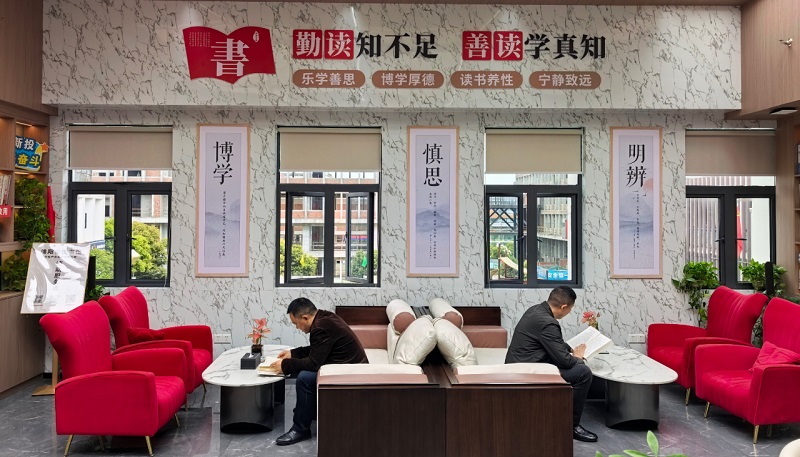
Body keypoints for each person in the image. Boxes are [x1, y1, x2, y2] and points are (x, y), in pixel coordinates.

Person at [270, 297, 368, 446]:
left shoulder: (321, 327)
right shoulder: (324, 317)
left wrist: (285, 365)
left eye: (296, 323)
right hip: (347, 364)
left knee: (304, 378)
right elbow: (319, 349)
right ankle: (308, 411)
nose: (297, 328)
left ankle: (300, 429)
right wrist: (293, 353)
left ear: (305, 317)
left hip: (352, 371)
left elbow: (313, 363)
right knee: (300, 369)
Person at [505, 285, 598, 443]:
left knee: (575, 366)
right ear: (563, 307)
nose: (569, 312)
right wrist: (578, 357)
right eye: (570, 309)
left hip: (520, 364)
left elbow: (553, 341)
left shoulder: (536, 310)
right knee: (583, 373)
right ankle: (572, 426)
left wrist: (570, 348)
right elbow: (565, 362)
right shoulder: (548, 323)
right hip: (526, 371)